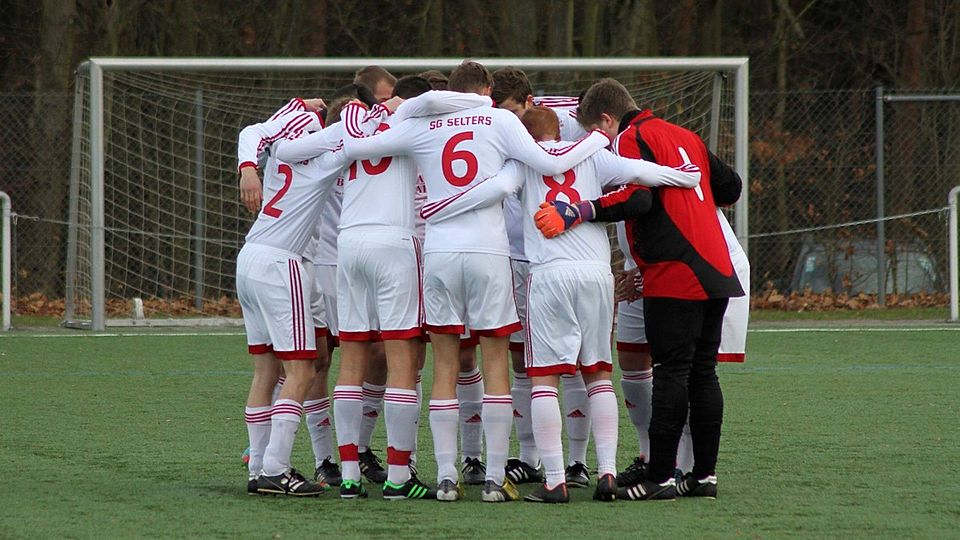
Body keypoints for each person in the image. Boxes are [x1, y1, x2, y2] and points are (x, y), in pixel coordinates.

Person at [341, 60, 612, 502]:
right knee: (495, 364)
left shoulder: (424, 124)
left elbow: (359, 147)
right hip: (488, 252)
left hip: (440, 253)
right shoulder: (501, 118)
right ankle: (494, 478)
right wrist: (598, 139)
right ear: (486, 89)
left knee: (446, 365)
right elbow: (543, 160)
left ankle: (446, 476)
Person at [420, 106, 700, 503]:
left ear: (525, 138)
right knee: (598, 373)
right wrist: (684, 177)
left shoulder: (523, 162)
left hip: (549, 274)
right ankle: (605, 472)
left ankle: (555, 479)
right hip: (595, 273)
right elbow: (640, 173)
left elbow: (497, 190)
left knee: (545, 379)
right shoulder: (591, 153)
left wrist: (444, 207)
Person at [535, 78, 743, 501]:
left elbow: (639, 198)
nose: (600, 143)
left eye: (598, 132)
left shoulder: (630, 137)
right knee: (703, 372)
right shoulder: (686, 135)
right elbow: (731, 187)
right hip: (717, 265)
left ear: (608, 120)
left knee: (671, 371)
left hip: (675, 268)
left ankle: (660, 476)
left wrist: (580, 210)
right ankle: (703, 476)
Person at [236, 101, 343, 496]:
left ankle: (259, 467)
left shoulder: (283, 150)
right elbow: (350, 141)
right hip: (283, 265)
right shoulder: (329, 156)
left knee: (268, 372)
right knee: (302, 370)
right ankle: (276, 468)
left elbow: (257, 131)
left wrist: (249, 165)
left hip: (250, 257)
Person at [491, 67, 591, 487]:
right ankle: (529, 455)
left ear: (530, 100)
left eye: (514, 110)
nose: (508, 121)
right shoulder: (491, 122)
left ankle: (580, 462)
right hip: (515, 254)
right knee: (523, 359)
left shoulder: (571, 121)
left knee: (580, 362)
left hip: (567, 257)